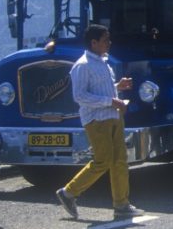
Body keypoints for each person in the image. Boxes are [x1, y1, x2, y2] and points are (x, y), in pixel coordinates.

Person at [55, 25, 144, 220]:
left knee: (120, 160)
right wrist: (111, 101)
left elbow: (98, 89)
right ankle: (69, 192)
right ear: (93, 43)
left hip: (113, 116)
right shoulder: (82, 65)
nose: (108, 43)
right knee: (102, 161)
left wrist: (116, 87)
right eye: (105, 40)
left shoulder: (104, 62)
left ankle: (122, 204)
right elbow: (79, 96)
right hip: (96, 120)